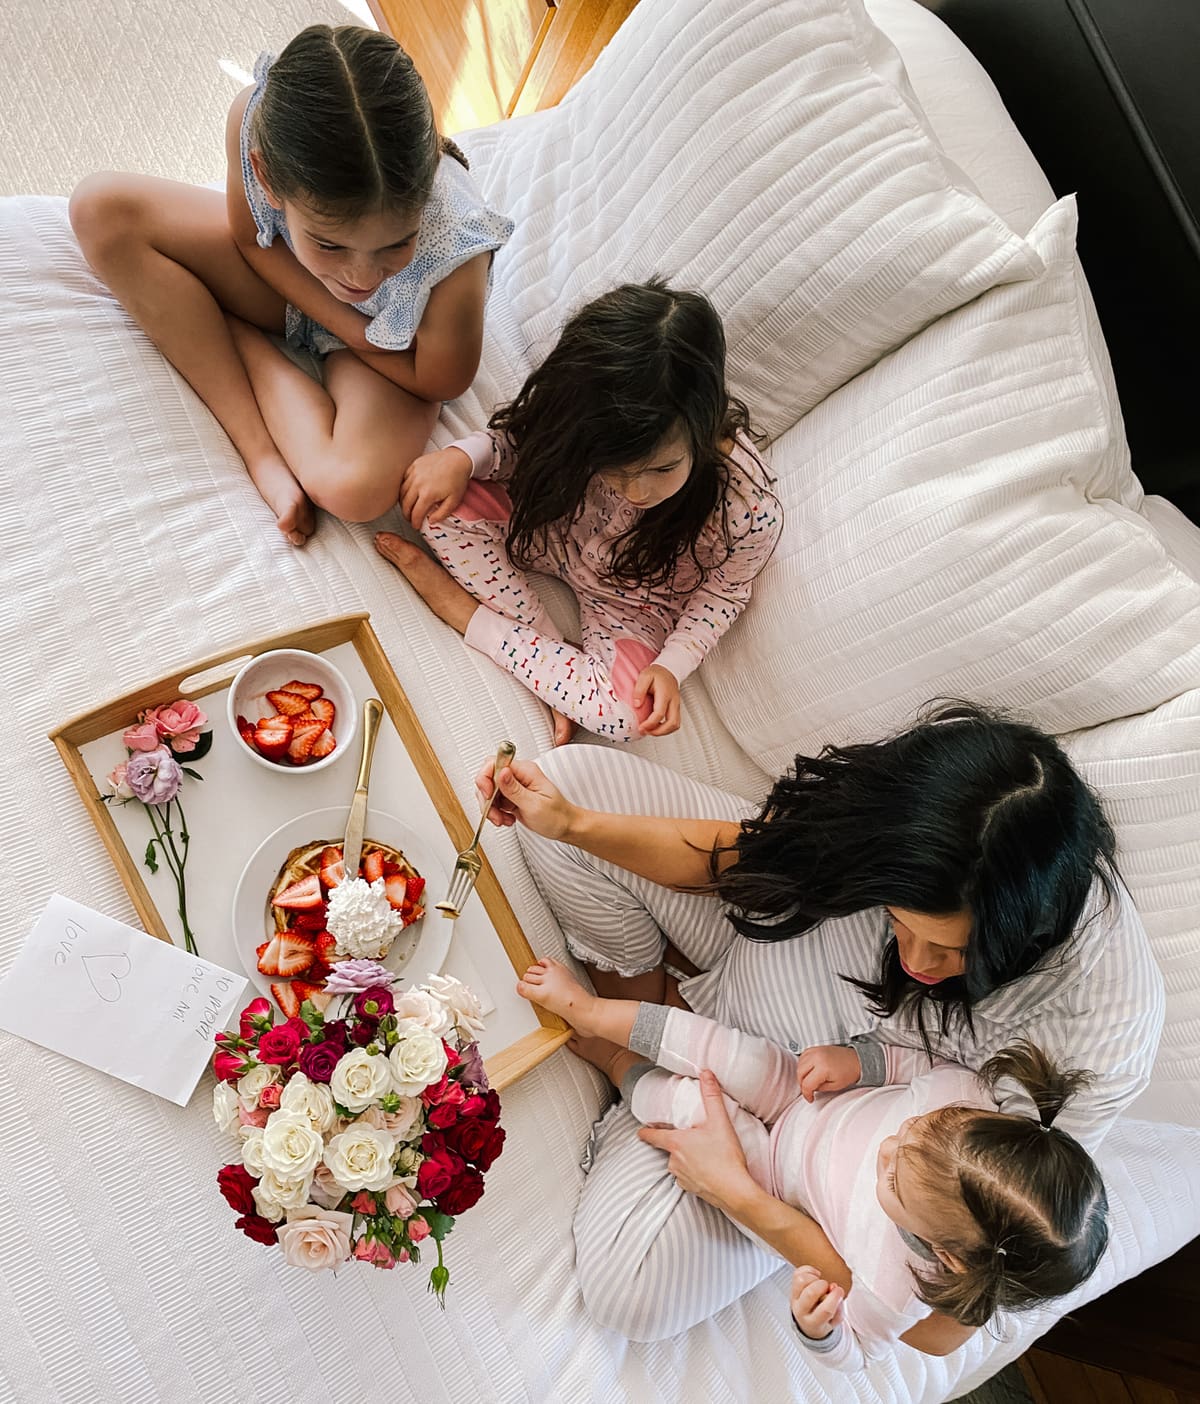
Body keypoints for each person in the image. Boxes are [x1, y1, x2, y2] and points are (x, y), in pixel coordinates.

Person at [474, 701, 1164, 1340]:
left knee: (633, 1293)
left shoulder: (1093, 1038)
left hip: (796, 1138)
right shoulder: (952, 816)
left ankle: (649, 1074)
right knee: (568, 791)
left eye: (952, 952)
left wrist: (743, 1197)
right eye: (896, 921)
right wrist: (572, 825)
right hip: (775, 950)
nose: (916, 962)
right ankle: (652, 1014)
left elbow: (943, 1327)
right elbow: (761, 858)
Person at [517, 958, 1108, 1367]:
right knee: (731, 1052)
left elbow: (858, 1352)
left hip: (772, 1179)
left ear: (946, 1254)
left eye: (895, 1177)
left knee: (696, 1105)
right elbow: (912, 1069)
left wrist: (817, 1328)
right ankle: (593, 1010)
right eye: (912, 1130)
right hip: (804, 1094)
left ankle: (620, 1066)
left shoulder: (895, 1292)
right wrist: (858, 1065)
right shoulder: (967, 1105)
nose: (889, 1146)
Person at [70, 24, 513, 545]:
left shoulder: (457, 243)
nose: (362, 276)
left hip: (393, 350)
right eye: (330, 243)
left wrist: (353, 332)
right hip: (294, 288)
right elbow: (246, 236)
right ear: (267, 178)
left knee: (354, 490)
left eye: (397, 243)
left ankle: (229, 335)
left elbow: (439, 381)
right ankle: (260, 453)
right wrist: (340, 315)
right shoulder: (253, 123)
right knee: (99, 209)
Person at [374, 280, 782, 745]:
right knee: (433, 502)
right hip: (551, 530)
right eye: (614, 469)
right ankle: (549, 656)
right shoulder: (587, 415)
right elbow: (519, 447)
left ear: (705, 427)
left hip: (633, 603)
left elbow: (723, 597)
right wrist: (463, 458)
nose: (635, 491)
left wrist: (671, 666)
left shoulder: (749, 509)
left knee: (629, 718)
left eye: (663, 467)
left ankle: (466, 616)